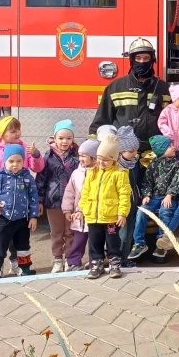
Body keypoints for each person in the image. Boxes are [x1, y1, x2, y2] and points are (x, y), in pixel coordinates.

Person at [0, 115, 45, 276]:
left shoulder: (24, 149)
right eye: (12, 131)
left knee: (21, 242)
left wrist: (35, 154)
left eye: (18, 130)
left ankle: (18, 266)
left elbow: (37, 169)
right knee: (2, 240)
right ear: (1, 133)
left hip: (21, 211)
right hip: (1, 208)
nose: (17, 134)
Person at [89, 38, 170, 152]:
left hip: (154, 152)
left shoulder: (164, 88)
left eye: (146, 58)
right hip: (123, 151)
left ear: (153, 60)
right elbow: (102, 120)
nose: (142, 62)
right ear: (132, 60)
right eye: (138, 58)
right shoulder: (115, 87)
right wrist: (92, 147)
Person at [78, 134, 131, 279]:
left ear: (114, 159)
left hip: (111, 216)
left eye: (105, 160)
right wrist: (82, 208)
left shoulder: (120, 174)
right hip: (93, 216)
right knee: (95, 241)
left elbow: (124, 194)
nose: (101, 162)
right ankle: (96, 264)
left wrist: (122, 213)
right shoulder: (92, 172)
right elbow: (86, 192)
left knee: (113, 241)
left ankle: (114, 264)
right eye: (99, 158)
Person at [128, 135, 179, 262]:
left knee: (165, 212)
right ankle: (139, 243)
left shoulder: (178, 164)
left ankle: (161, 243)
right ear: (161, 150)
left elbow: (178, 181)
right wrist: (146, 194)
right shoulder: (153, 165)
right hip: (154, 196)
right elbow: (147, 182)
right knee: (142, 211)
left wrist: (170, 194)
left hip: (169, 197)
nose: (174, 147)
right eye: (169, 146)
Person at [36, 120, 80, 274]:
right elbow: (41, 178)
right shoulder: (48, 156)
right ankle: (57, 259)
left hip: (72, 202)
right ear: (54, 138)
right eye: (61, 138)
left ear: (72, 139)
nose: (64, 141)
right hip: (52, 201)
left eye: (68, 138)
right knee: (56, 232)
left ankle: (69, 259)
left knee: (70, 232)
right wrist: (39, 200)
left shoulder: (77, 156)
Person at [61, 138, 99, 271]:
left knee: (95, 241)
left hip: (94, 215)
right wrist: (67, 210)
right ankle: (73, 263)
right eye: (80, 155)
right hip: (78, 216)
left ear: (94, 158)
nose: (80, 159)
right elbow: (69, 192)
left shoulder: (100, 174)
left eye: (84, 156)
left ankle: (95, 262)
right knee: (78, 241)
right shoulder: (76, 173)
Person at [116, 125, 142, 267]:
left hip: (133, 203)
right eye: (131, 151)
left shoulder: (135, 163)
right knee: (122, 234)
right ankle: (117, 260)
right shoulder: (117, 166)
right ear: (120, 151)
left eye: (136, 150)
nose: (134, 153)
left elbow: (137, 182)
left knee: (129, 234)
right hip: (121, 207)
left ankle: (125, 259)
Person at [158, 84, 179, 152]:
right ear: (174, 99)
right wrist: (168, 133)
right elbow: (161, 123)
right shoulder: (167, 111)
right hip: (170, 146)